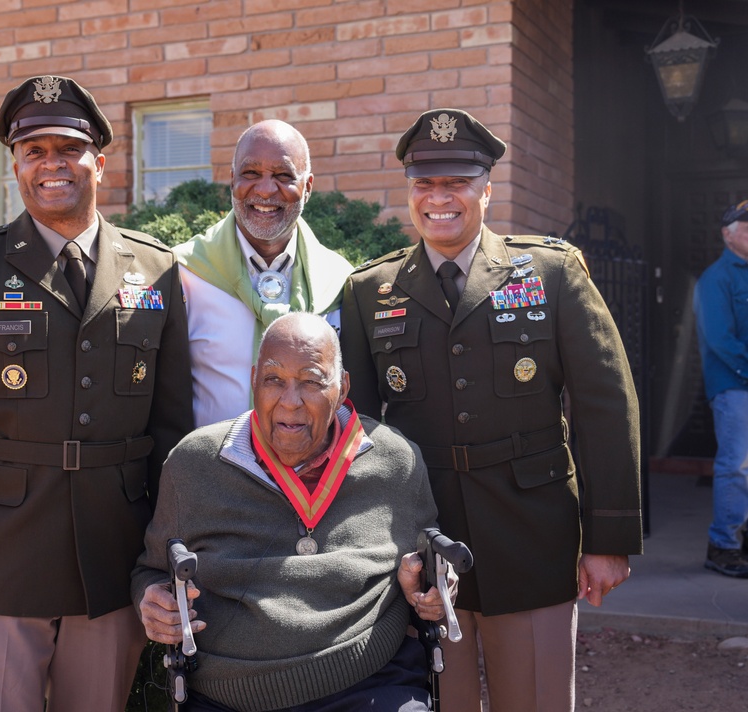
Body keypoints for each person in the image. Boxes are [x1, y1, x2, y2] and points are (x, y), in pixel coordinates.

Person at [0, 75, 194, 712]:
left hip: (112, 558)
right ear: (16, 167)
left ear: (100, 163)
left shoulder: (155, 269)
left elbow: (172, 432)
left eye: (67, 149)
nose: (51, 165)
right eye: (34, 152)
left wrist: (169, 550)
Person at [340, 109, 642, 712]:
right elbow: (356, 429)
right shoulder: (370, 292)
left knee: (535, 697)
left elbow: (605, 403)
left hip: (532, 531)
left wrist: (608, 538)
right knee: (437, 699)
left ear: (485, 189)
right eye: (425, 184)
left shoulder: (551, 274)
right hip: (422, 538)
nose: (439, 198)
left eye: (456, 182)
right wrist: (362, 549)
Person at [133, 312, 445, 712]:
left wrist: (430, 591)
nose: (290, 400)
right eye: (274, 380)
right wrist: (152, 601)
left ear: (342, 386)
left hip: (370, 682)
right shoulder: (194, 463)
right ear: (253, 381)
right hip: (230, 695)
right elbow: (152, 569)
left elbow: (427, 568)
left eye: (312, 381)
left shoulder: (392, 459)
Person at [173, 120, 354, 427]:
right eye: (251, 174)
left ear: (308, 187)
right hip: (210, 469)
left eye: (283, 176)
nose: (266, 189)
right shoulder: (184, 273)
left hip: (311, 473)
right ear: (232, 180)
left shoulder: (340, 281)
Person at [693, 198, 748, 578]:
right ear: (729, 236)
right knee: (737, 467)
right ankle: (723, 546)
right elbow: (719, 339)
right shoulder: (718, 277)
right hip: (734, 387)